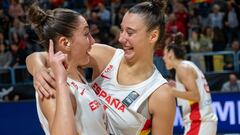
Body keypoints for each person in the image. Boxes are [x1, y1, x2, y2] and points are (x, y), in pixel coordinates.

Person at [26, 0, 176, 134]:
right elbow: (50, 55)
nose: (121, 38)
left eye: (130, 32)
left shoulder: (161, 94)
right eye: (122, 29)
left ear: (153, 36)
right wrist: (38, 69)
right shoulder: (105, 56)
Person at [26, 2, 108, 135]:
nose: (93, 41)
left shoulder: (77, 70)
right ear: (65, 43)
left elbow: (38, 56)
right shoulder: (51, 85)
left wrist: (37, 66)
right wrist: (60, 83)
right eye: (86, 34)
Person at [163, 33, 218, 135]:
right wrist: (178, 88)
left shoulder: (182, 68)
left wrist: (173, 92)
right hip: (202, 123)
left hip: (199, 122)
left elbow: (195, 96)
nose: (163, 58)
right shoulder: (187, 65)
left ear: (170, 53)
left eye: (164, 54)